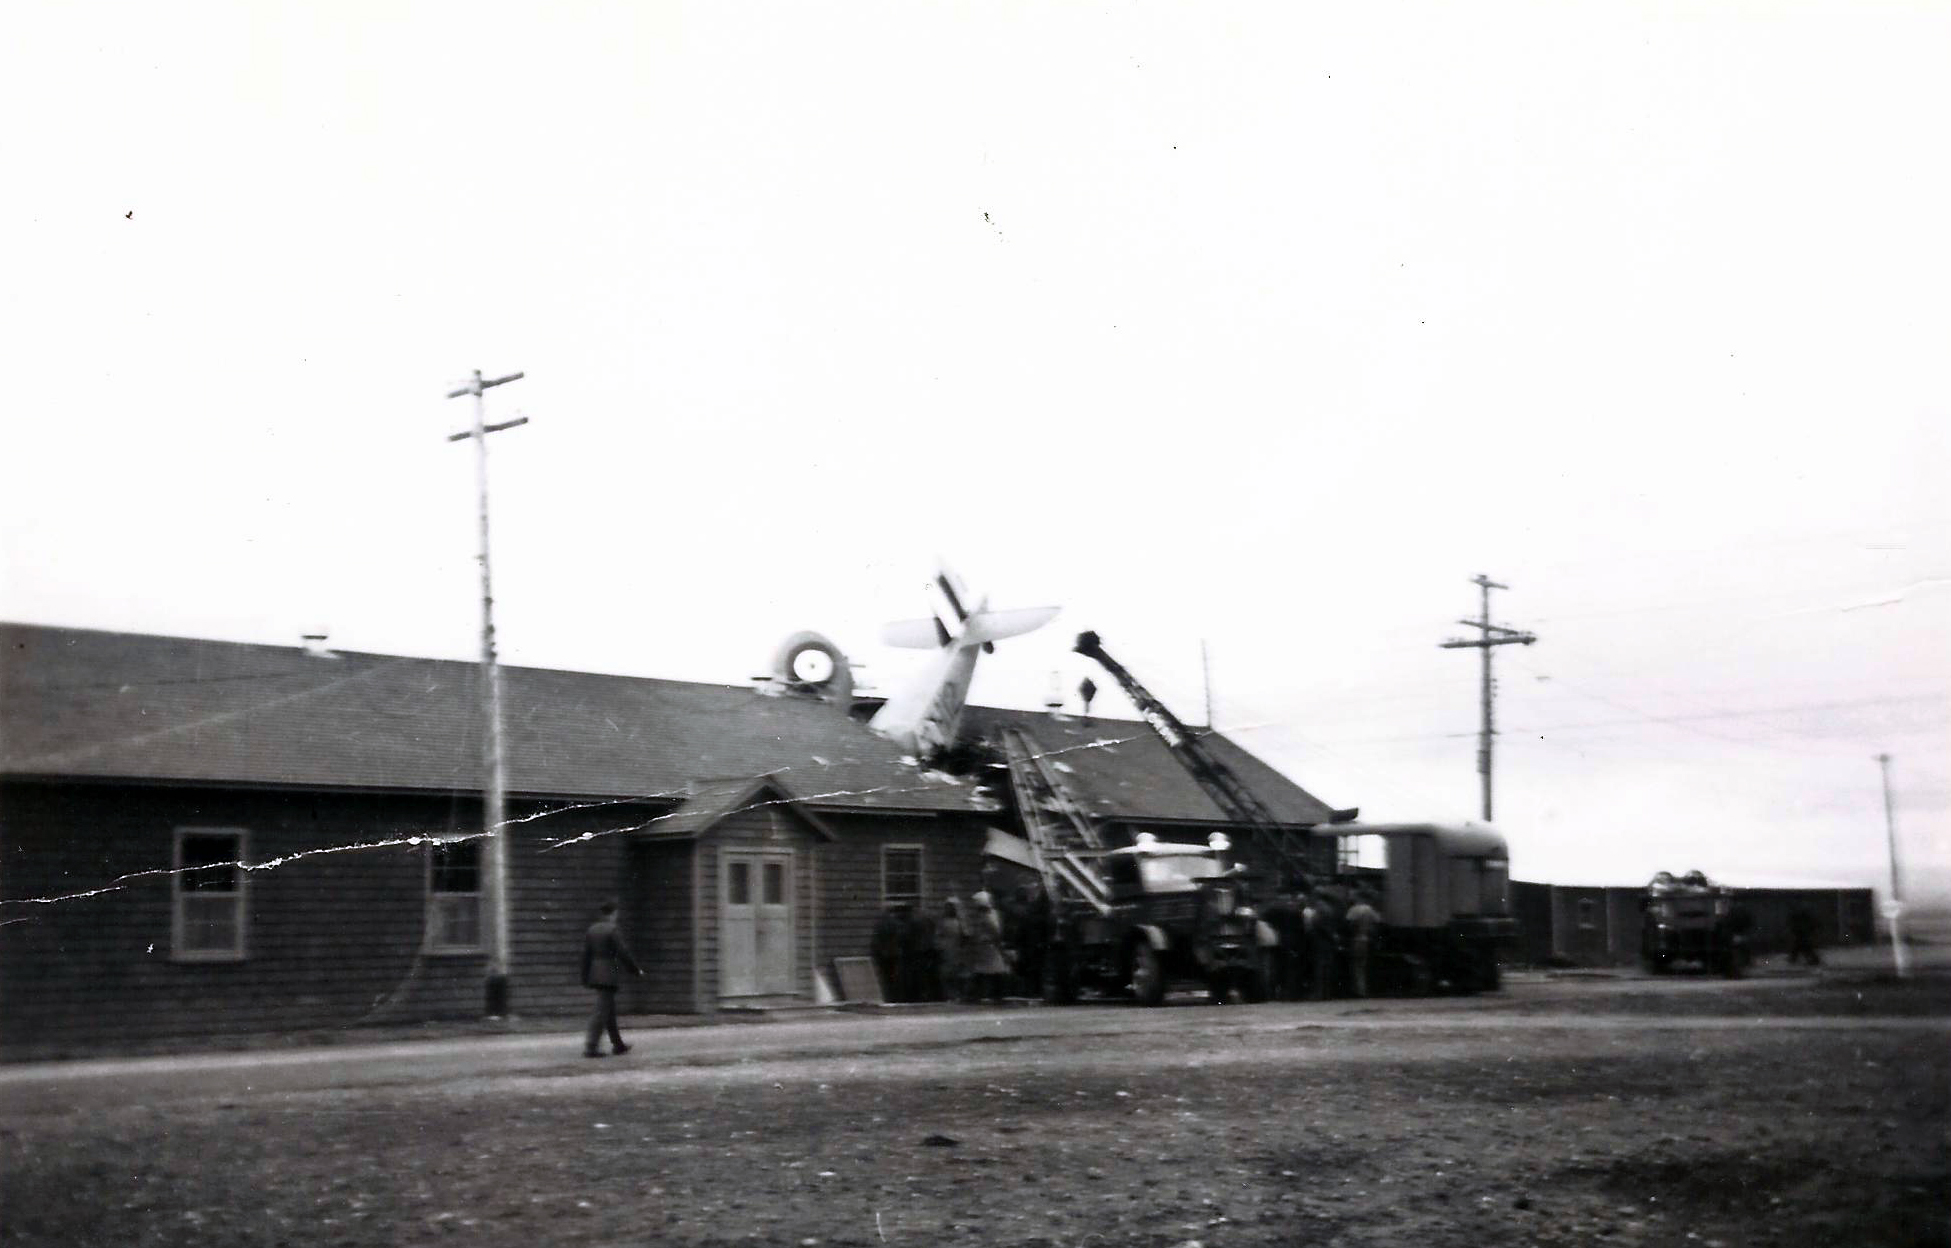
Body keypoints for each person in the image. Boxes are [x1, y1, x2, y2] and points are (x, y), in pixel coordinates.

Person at [581, 899, 644, 1058]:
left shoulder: (592, 930)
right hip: (609, 973)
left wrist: (585, 976)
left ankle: (618, 1044)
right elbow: (623, 952)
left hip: (595, 973)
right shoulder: (612, 930)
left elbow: (586, 956)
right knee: (602, 1011)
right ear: (613, 913)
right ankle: (591, 1046)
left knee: (608, 1009)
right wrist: (635, 970)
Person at [964, 890, 1010, 1003]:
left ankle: (994, 994)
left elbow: (995, 931)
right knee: (986, 971)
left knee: (992, 971)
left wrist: (996, 942)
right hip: (984, 947)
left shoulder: (988, 917)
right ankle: (983, 994)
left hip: (989, 946)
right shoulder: (985, 916)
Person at [1342, 891, 1382, 998]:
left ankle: (1359, 990)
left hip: (1356, 939)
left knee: (1356, 966)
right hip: (1367, 939)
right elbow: (1378, 922)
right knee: (1364, 965)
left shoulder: (1353, 910)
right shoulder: (1370, 909)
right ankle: (1364, 990)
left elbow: (1349, 924)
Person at [938, 897, 967, 1003]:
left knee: (958, 973)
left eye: (951, 907)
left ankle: (959, 994)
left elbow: (966, 935)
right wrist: (940, 946)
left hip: (957, 949)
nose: (949, 909)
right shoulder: (943, 921)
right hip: (946, 949)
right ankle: (948, 995)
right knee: (946, 973)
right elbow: (938, 935)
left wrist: (963, 947)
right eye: (947, 907)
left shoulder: (960, 921)